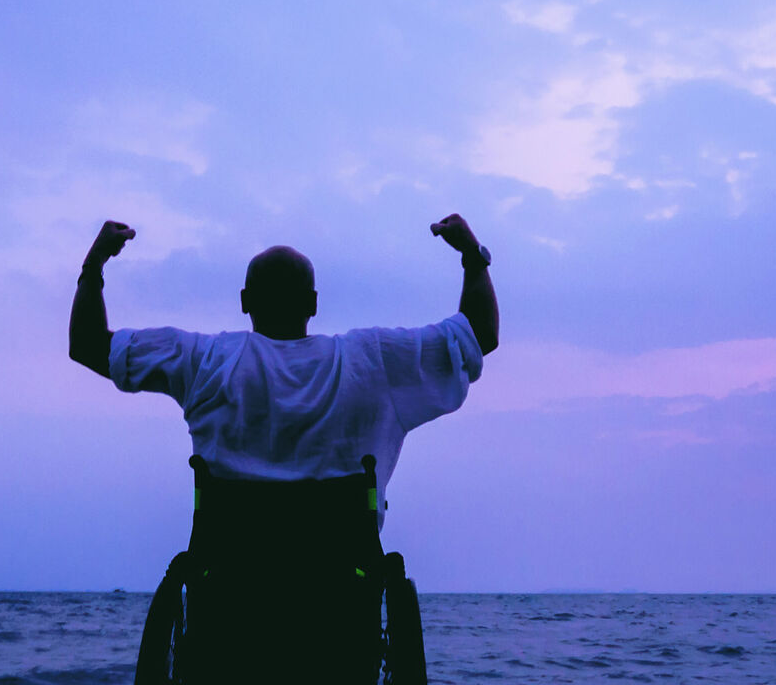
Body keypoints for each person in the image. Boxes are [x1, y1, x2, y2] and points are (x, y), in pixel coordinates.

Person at [68, 215, 498, 521]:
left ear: (244, 302)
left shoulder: (202, 361)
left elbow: (87, 345)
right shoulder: (372, 360)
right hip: (340, 593)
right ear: (313, 303)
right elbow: (478, 336)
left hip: (228, 591)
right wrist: (471, 256)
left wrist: (95, 263)